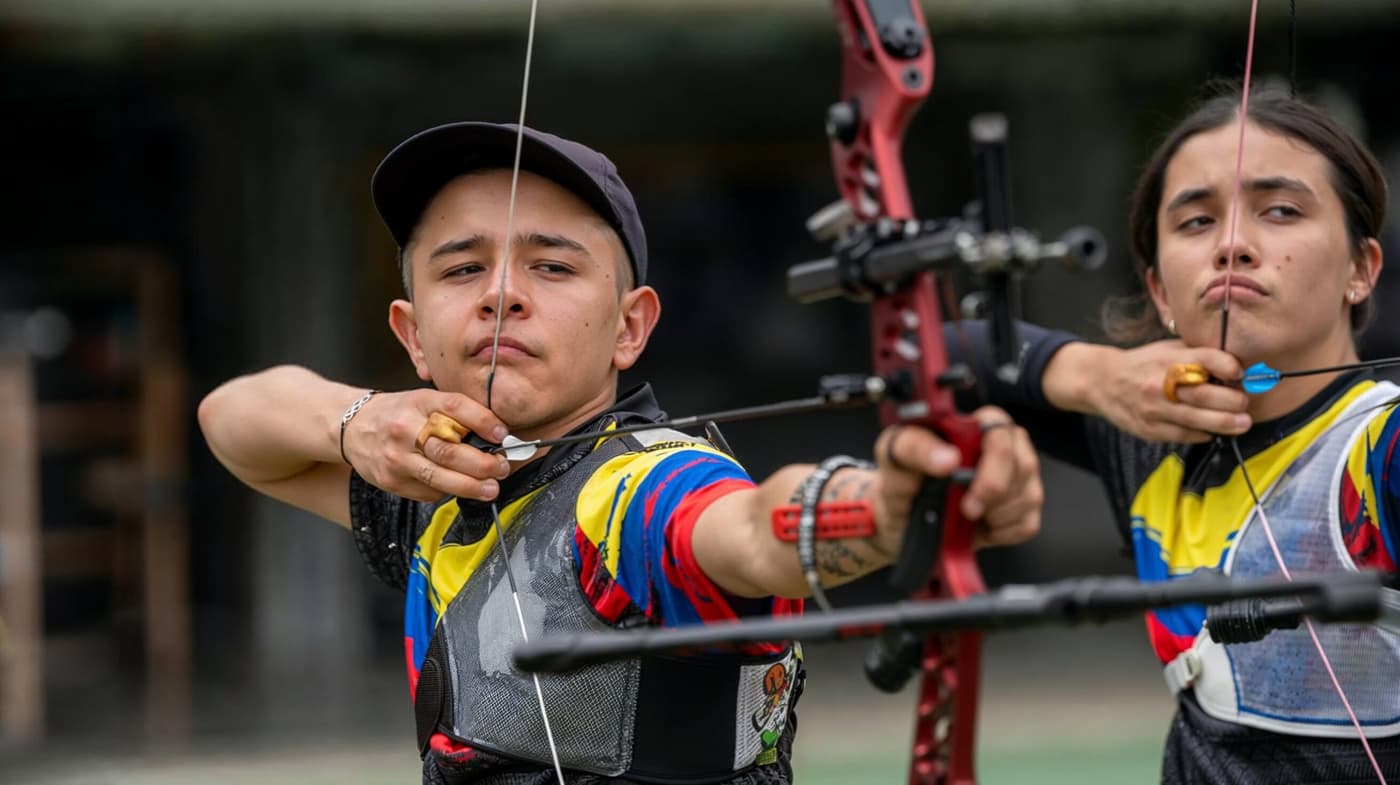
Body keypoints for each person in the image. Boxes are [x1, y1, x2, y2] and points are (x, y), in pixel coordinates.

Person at [197, 122, 1045, 785]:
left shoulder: (639, 488)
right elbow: (233, 421)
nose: (501, 293)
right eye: (461, 270)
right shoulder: (435, 477)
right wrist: (360, 422)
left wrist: (893, 505)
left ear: (630, 325)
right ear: (413, 336)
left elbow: (748, 532)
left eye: (553, 266)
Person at [946, 87, 1400, 783]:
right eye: (1194, 221)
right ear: (1160, 290)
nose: (1231, 244)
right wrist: (1091, 376)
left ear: (1361, 269)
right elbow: (939, 351)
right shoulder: (1146, 430)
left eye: (1281, 211)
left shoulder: (1377, 450)